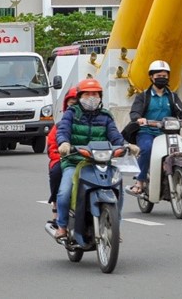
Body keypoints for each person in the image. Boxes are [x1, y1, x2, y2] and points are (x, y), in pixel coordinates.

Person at [52, 78, 125, 241]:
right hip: (74, 160)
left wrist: (126, 146)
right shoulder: (72, 113)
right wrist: (64, 143)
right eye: (88, 93)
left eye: (95, 94)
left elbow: (115, 135)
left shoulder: (106, 116)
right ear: (80, 96)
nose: (92, 97)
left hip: (100, 162)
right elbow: (62, 130)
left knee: (117, 189)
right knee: (64, 193)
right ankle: (62, 226)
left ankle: (115, 226)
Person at [128, 59, 182, 195]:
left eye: (164, 77)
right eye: (158, 76)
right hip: (147, 131)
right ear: (151, 77)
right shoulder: (143, 96)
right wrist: (139, 119)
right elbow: (135, 112)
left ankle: (176, 174)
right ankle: (140, 181)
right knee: (146, 149)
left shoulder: (172, 96)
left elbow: (180, 111)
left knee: (178, 151)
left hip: (167, 133)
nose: (162, 79)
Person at [46, 86, 80, 225]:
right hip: (66, 160)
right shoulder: (61, 125)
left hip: (88, 160)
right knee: (56, 172)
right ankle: (56, 207)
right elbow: (52, 147)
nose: (74, 108)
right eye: (71, 104)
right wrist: (61, 154)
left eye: (77, 104)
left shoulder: (98, 120)